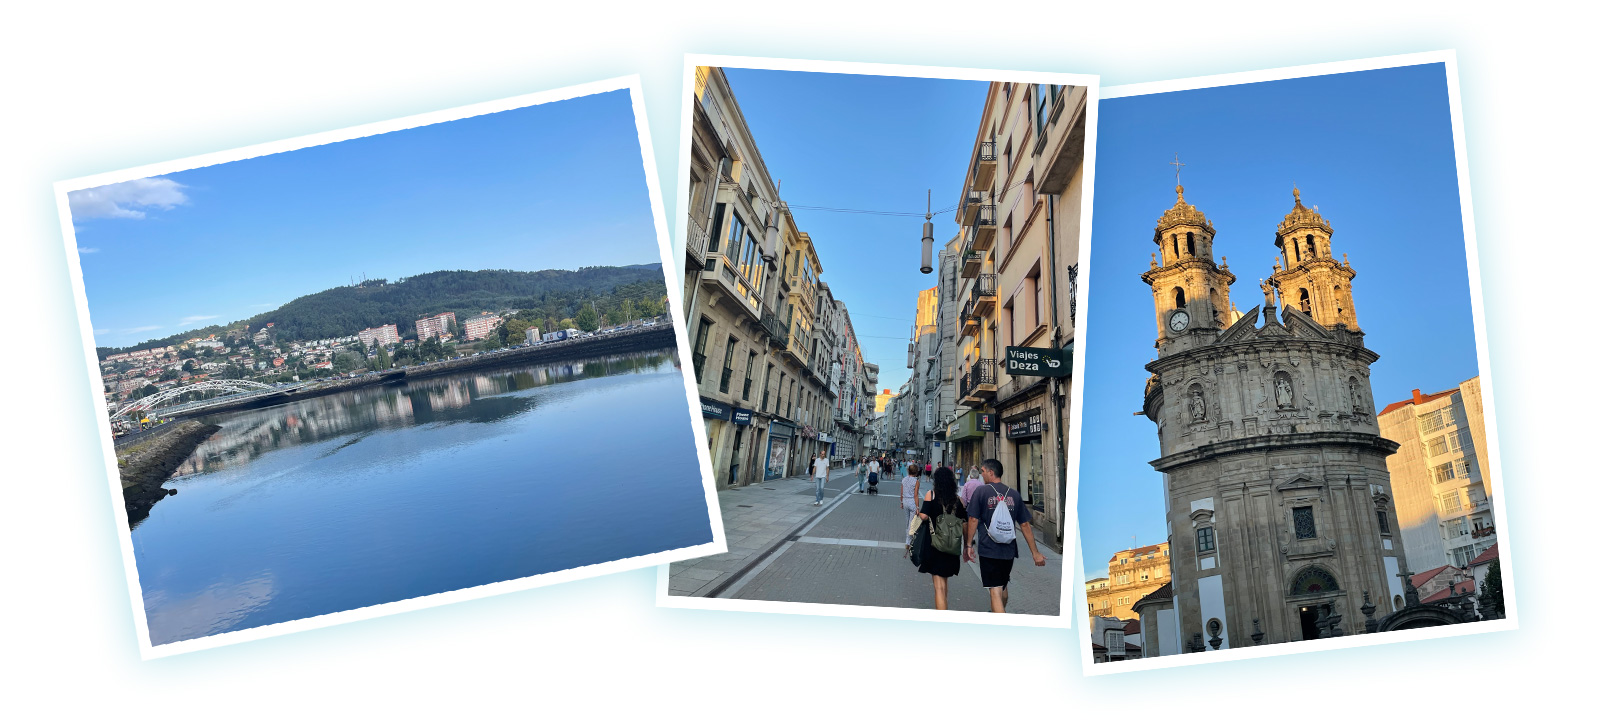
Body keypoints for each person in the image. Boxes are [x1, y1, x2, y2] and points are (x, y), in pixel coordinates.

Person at [964, 458, 1047, 613]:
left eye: (982, 471)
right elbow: (1025, 525)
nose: (981, 474)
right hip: (1008, 551)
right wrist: (1035, 553)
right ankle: (999, 611)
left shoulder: (981, 492)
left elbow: (973, 519)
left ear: (991, 472)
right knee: (1003, 585)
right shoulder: (1014, 495)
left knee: (994, 590)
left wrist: (969, 544)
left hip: (988, 549)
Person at [915, 467, 969, 610]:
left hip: (935, 545)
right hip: (952, 546)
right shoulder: (958, 500)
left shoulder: (931, 494)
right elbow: (965, 523)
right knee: (944, 583)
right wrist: (967, 545)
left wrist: (919, 513)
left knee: (938, 587)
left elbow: (924, 516)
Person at [900, 463, 925, 556]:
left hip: (905, 501)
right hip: (912, 502)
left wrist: (901, 502)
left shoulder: (904, 479)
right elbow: (916, 495)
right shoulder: (916, 481)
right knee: (912, 522)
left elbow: (901, 492)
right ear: (916, 472)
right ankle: (908, 541)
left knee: (907, 522)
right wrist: (917, 507)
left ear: (908, 471)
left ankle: (908, 539)